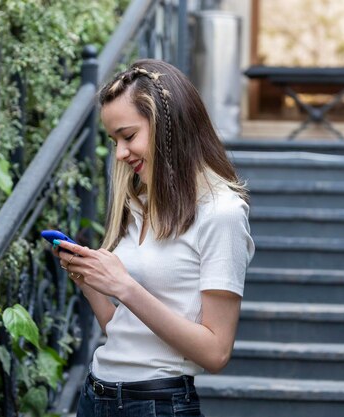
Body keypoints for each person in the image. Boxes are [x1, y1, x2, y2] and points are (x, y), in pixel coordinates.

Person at [52, 59, 255, 417]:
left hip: (157, 405)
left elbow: (215, 352)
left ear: (168, 125)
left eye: (128, 136)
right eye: (114, 140)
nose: (119, 153)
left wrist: (125, 286)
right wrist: (89, 281)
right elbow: (124, 331)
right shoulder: (139, 203)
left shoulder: (221, 213)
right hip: (95, 395)